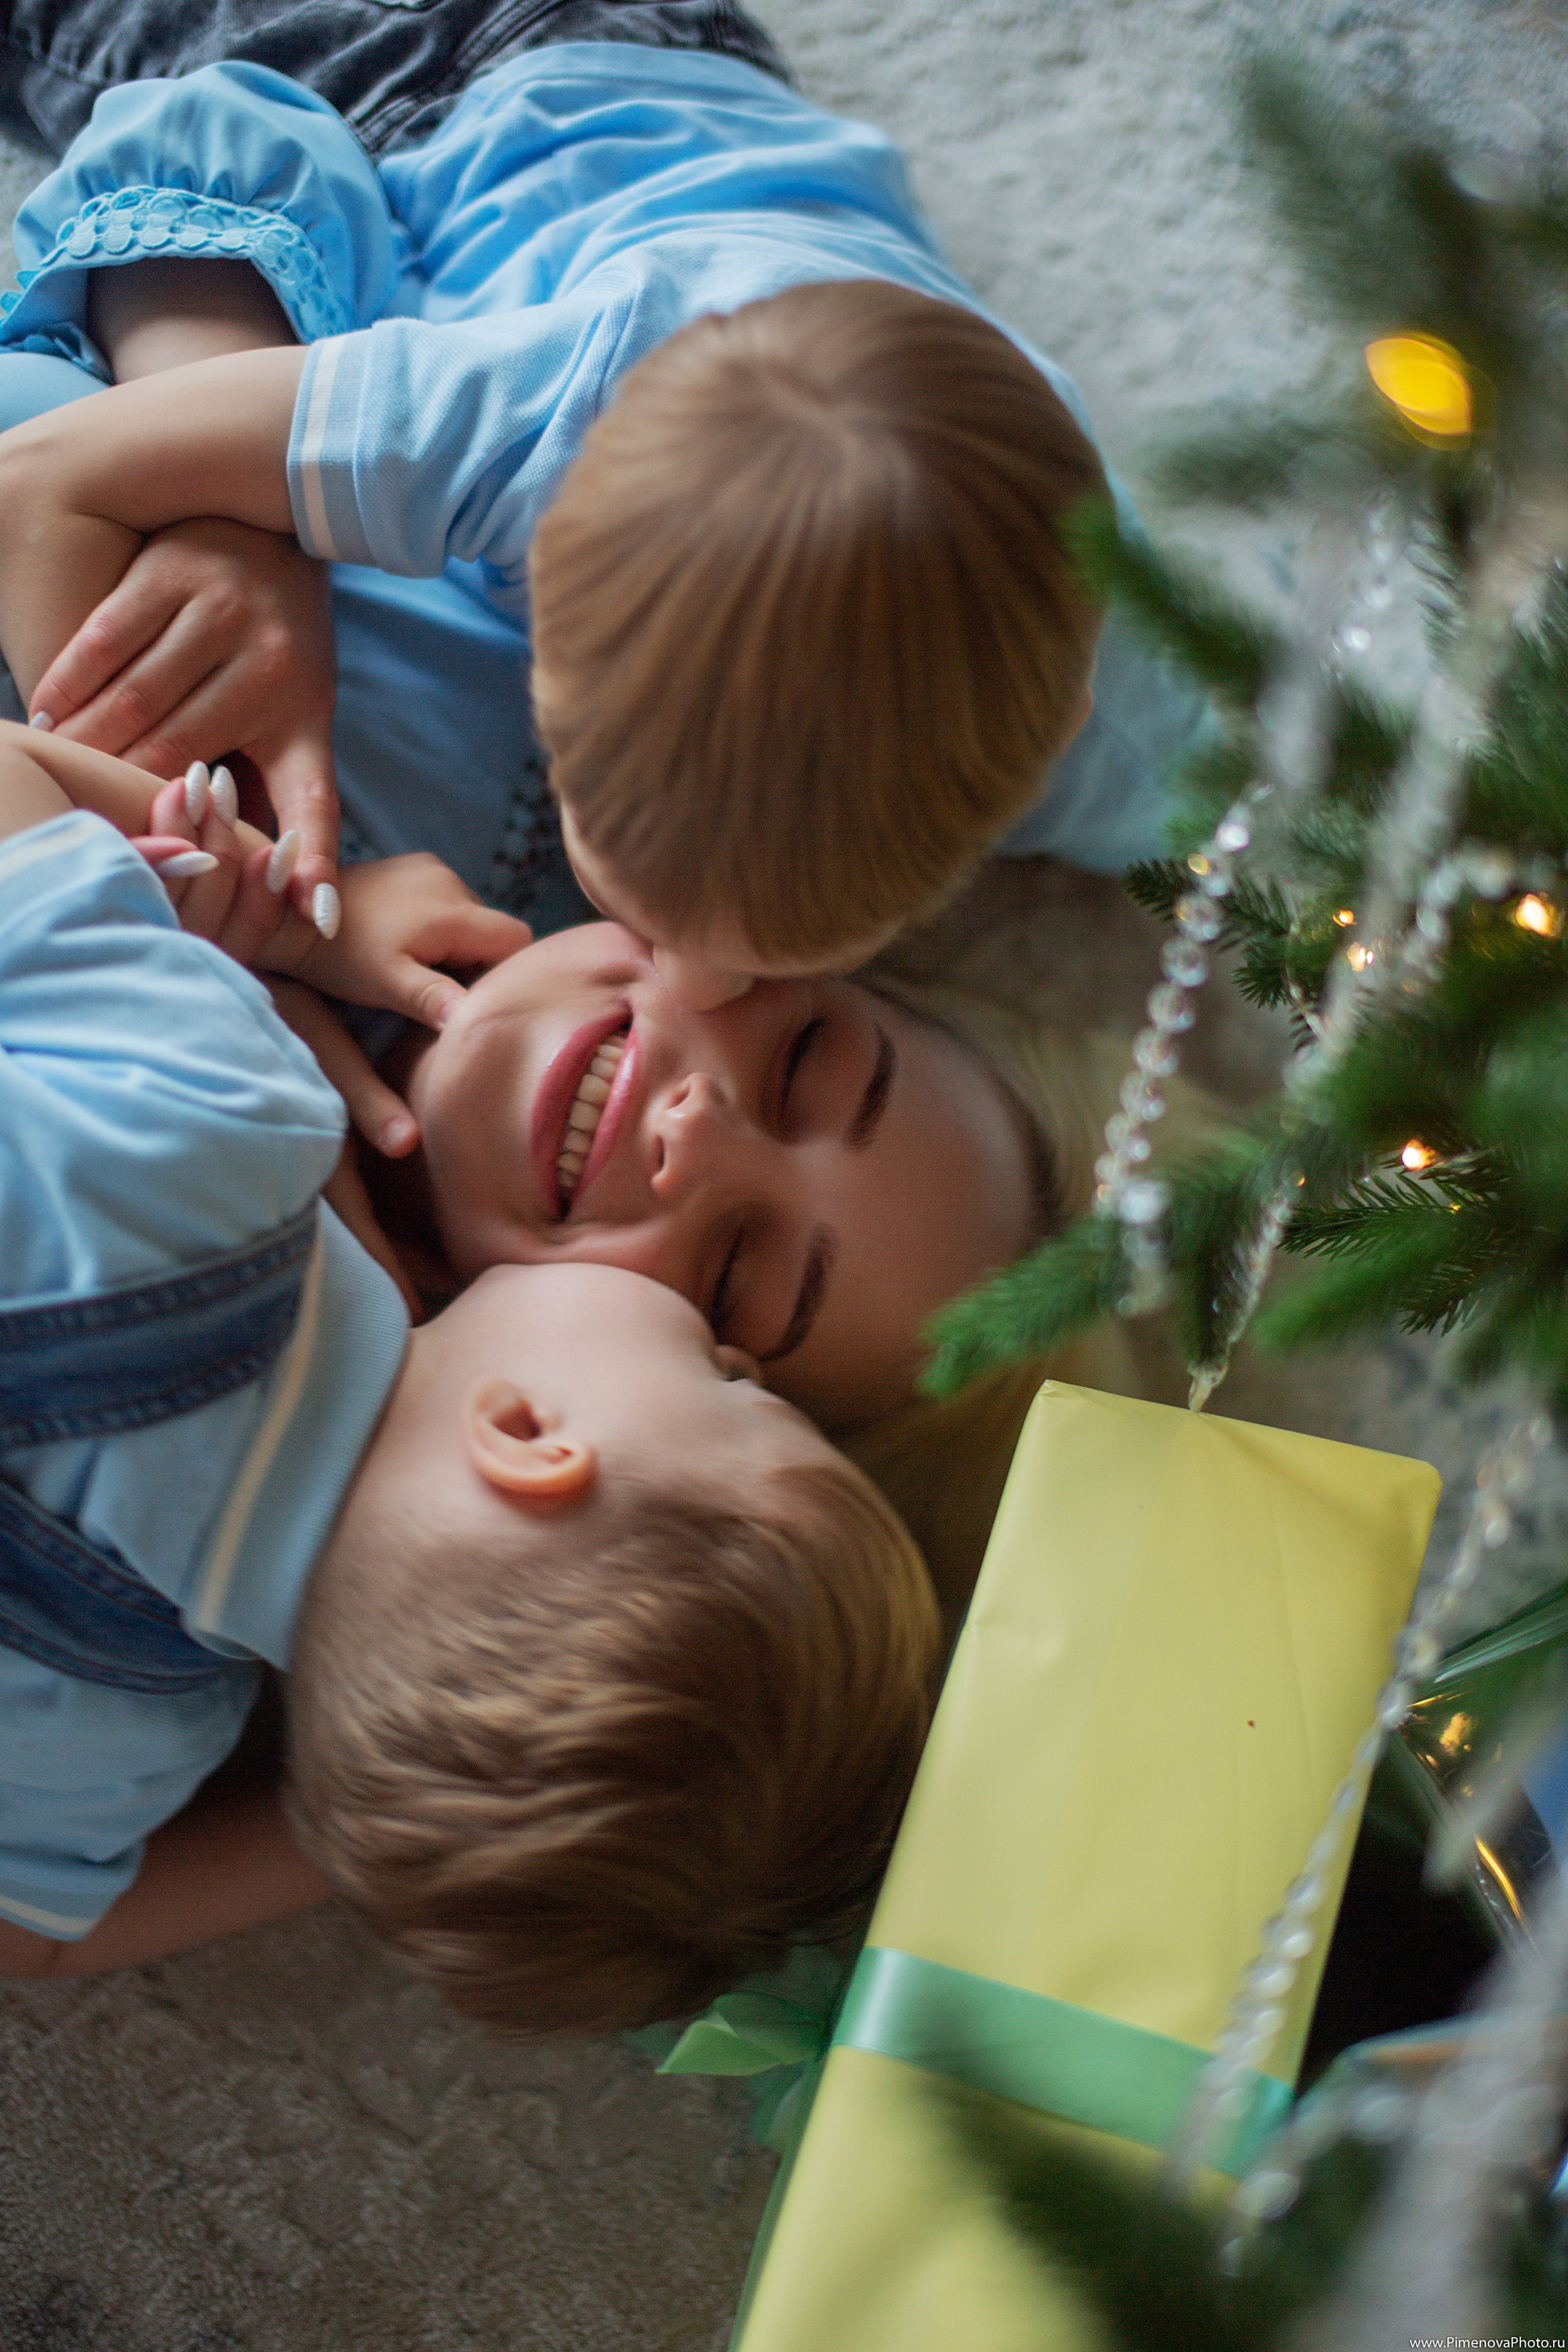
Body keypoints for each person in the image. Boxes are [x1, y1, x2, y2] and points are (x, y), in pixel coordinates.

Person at [0, 3, 1208, 1017]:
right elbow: (51, 470)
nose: (689, 987)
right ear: (535, 551)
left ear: (1063, 726)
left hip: (677, 92)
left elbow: (1300, 823)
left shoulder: (1130, 698)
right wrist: (181, 724)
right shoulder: (529, 421)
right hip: (378, 64)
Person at [0, 717, 940, 2018]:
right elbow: (30, 1939)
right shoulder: (125, 1729)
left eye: (731, 1378)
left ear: (531, 1436)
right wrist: (380, 1802)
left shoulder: (223, 1136)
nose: (719, 1347)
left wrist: (290, 924)